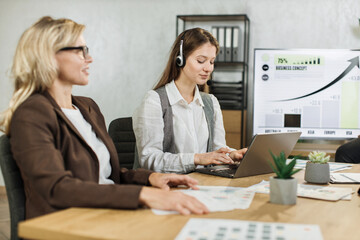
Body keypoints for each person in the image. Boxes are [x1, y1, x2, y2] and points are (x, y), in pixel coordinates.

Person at [0, 16, 209, 219]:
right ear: (49, 56)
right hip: (68, 223)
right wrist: (143, 195)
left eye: (86, 50)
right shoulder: (31, 113)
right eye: (80, 51)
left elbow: (108, 176)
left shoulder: (87, 106)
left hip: (106, 213)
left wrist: (152, 178)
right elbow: (57, 189)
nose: (89, 58)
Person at [132, 28, 247, 173]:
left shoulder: (211, 102)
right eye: (201, 61)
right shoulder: (154, 101)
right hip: (165, 189)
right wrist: (197, 158)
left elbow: (216, 150)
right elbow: (149, 160)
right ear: (180, 59)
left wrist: (231, 154)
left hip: (201, 184)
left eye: (212, 62)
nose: (208, 68)